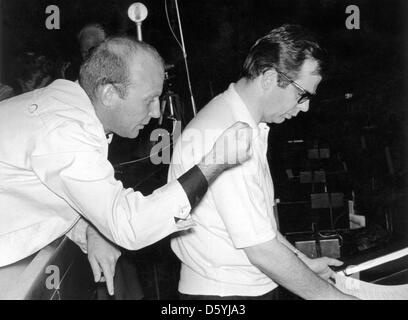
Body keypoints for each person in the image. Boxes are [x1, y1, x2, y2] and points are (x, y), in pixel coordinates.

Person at [0, 36, 253, 295]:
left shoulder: (64, 106)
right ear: (108, 93)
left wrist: (91, 228)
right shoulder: (64, 131)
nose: (156, 112)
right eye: (149, 99)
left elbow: (50, 185)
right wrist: (214, 163)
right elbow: (130, 226)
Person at [168, 24, 356, 300]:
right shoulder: (225, 132)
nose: (305, 106)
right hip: (226, 295)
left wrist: (304, 263)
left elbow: (260, 227)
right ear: (269, 77)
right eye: (302, 94)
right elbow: (260, 249)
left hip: (240, 287)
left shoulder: (240, 121)